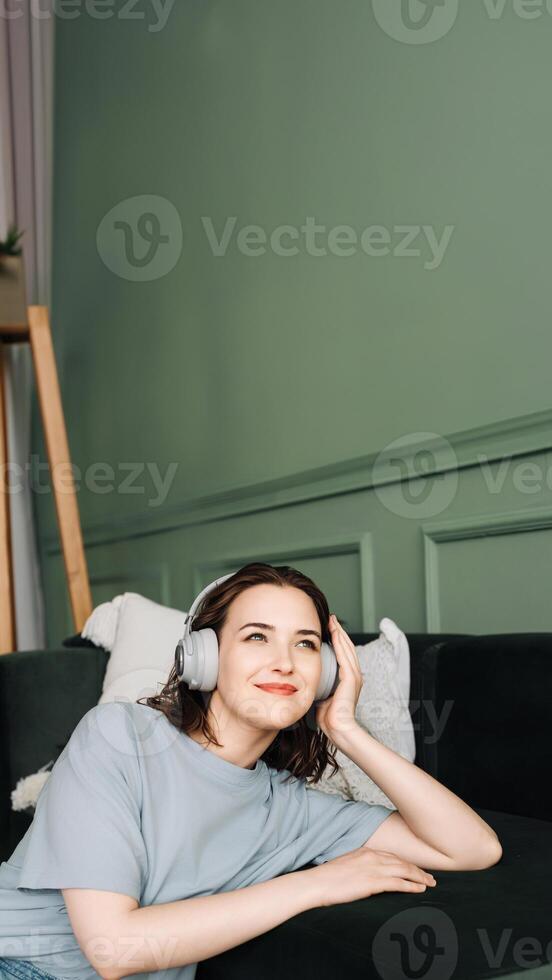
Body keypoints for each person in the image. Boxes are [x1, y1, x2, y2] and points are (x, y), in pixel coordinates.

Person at [0, 562, 501, 980]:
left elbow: (473, 848)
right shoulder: (118, 736)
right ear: (206, 656)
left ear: (325, 673)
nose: (284, 662)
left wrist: (347, 729)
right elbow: (112, 948)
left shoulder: (290, 807)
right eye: (257, 637)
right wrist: (317, 884)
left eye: (306, 644)